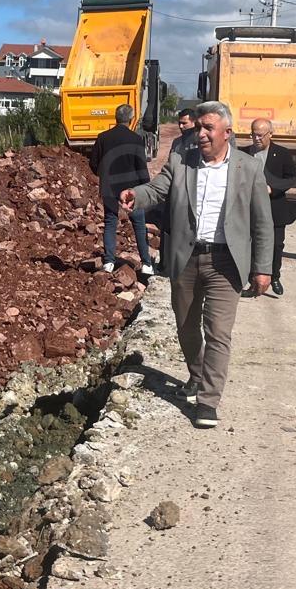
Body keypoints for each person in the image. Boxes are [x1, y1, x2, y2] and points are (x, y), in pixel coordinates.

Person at [120, 100, 272, 428]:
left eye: (208, 128)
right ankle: (198, 373)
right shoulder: (181, 162)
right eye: (199, 127)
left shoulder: (248, 169)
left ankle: (208, 400)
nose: (200, 134)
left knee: (217, 332)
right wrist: (136, 195)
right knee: (187, 327)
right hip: (186, 258)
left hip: (225, 262)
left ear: (227, 133)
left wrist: (263, 268)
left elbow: (262, 223)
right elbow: (157, 190)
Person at [90, 104, 154, 277]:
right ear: (132, 119)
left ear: (115, 118)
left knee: (110, 223)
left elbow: (93, 163)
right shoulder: (136, 139)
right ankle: (147, 263)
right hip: (132, 190)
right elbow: (141, 166)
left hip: (110, 188)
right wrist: (145, 188)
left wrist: (103, 175)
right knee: (139, 226)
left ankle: (109, 262)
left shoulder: (103, 137)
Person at [241, 118, 296, 297]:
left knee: (276, 245)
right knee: (250, 245)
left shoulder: (282, 154)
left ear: (270, 134)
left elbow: (291, 178)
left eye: (260, 135)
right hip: (249, 209)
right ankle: (252, 281)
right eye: (253, 134)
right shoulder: (243, 153)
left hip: (275, 208)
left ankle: (274, 276)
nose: (256, 138)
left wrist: (273, 188)